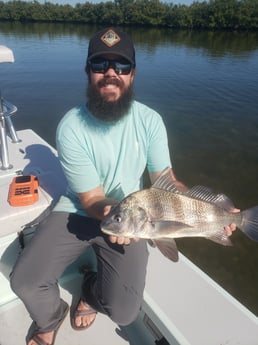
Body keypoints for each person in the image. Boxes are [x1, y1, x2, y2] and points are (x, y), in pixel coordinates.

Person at [10, 27, 237, 345]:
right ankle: (49, 318)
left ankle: (89, 290)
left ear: (133, 73)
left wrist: (214, 211)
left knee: (125, 313)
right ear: (88, 72)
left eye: (121, 66)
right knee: (25, 281)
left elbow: (167, 181)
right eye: (101, 65)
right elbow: (91, 198)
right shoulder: (71, 126)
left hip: (136, 215)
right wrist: (119, 218)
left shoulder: (150, 121)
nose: (111, 74)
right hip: (80, 210)